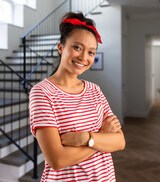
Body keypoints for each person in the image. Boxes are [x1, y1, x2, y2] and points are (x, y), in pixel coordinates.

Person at [29, 12, 125, 182]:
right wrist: (101, 136)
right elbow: (57, 160)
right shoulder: (42, 92)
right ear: (61, 48)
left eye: (91, 52)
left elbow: (119, 141)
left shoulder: (95, 90)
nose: (83, 57)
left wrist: (86, 138)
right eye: (77, 48)